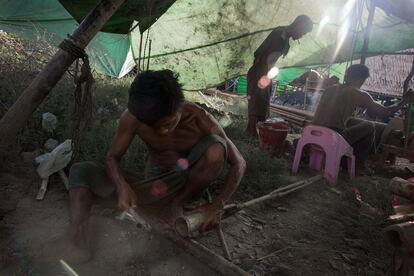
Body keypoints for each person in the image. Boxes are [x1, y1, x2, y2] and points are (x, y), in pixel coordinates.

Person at [48, 70, 246, 263]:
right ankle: (76, 236)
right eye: (154, 126)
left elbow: (239, 162)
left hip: (185, 182)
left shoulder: (200, 119)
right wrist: (122, 186)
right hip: (152, 184)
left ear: (180, 107)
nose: (162, 131)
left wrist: (216, 206)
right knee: (82, 170)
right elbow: (112, 157)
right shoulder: (133, 117)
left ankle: (176, 205)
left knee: (216, 149)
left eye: (168, 124)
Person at [313, 64, 414, 164]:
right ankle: (360, 163)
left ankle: (346, 158)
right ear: (361, 80)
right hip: (333, 138)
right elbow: (385, 113)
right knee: (369, 126)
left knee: (353, 121)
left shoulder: (330, 89)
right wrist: (404, 101)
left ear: (346, 76)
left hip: (314, 132)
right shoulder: (358, 94)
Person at [246, 15, 313, 136]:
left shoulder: (285, 37)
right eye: (303, 32)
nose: (302, 36)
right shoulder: (280, 34)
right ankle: (252, 133)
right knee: (257, 102)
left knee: (262, 103)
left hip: (264, 72)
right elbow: (265, 57)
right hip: (259, 71)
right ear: (299, 25)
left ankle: (255, 132)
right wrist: (265, 73)